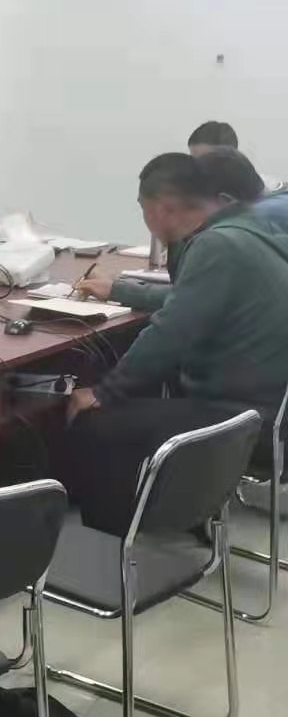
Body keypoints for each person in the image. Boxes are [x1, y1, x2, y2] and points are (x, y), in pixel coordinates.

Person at [60, 153, 288, 534]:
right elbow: (194, 301)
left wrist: (104, 392)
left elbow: (170, 333)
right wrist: (120, 290)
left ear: (160, 208)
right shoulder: (253, 232)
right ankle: (180, 516)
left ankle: (119, 543)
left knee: (95, 420)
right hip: (270, 414)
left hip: (239, 421)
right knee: (143, 392)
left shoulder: (216, 245)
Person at [77, 148, 278, 310]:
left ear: (224, 202)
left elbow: (191, 301)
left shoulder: (231, 240)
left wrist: (119, 290)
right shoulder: (259, 224)